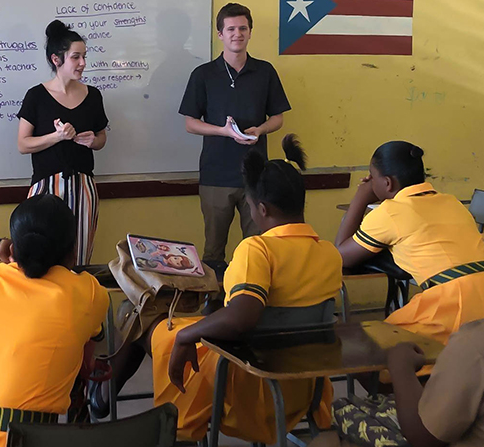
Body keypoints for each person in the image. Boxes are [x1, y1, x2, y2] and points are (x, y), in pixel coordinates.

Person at [93, 135, 341, 444]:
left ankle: (109, 399)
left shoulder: (258, 249)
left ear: (262, 209)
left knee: (141, 318)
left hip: (245, 377)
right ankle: (102, 396)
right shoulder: (329, 253)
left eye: (249, 207)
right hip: (300, 383)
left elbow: (243, 315)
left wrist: (187, 335)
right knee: (174, 318)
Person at [312, 198, 484, 447]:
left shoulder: (479, 345)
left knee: (334, 424)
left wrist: (401, 369)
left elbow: (423, 437)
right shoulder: (451, 204)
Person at [0, 194, 110, 447]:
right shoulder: (89, 292)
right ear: (73, 250)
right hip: (40, 439)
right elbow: (90, 353)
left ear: (12, 249)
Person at [335, 141, 484, 344]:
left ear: (387, 183)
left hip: (452, 304)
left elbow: (341, 255)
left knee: (377, 350)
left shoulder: (389, 212)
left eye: (372, 176)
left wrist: (361, 196)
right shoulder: (452, 202)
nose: (370, 181)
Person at [180, 3, 291, 264]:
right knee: (214, 252)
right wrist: (223, 131)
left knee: (256, 249)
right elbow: (190, 123)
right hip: (215, 176)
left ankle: (252, 301)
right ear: (220, 34)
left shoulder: (265, 72)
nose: (237, 34)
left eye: (243, 28)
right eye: (230, 29)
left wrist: (261, 129)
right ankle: (214, 304)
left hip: (255, 177)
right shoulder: (203, 74)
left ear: (250, 32)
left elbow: (278, 118)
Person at [17, 20, 108, 266]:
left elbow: (101, 139)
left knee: (78, 260)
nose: (83, 64)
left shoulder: (93, 95)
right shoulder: (36, 96)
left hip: (83, 186)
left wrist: (93, 141)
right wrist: (57, 137)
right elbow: (23, 144)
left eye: (84, 56)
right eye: (76, 57)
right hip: (46, 188)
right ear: (57, 59)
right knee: (42, 261)